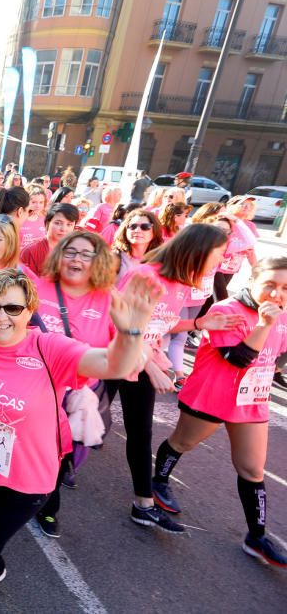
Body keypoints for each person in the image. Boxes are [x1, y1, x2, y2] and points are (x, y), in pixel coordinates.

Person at [0, 268, 161, 612]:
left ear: (30, 310)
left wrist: (130, 331)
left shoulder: (49, 348)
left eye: (13, 309)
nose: (1, 316)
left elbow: (111, 363)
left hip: (24, 482)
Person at [152, 257, 287, 567]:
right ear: (252, 281)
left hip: (251, 401)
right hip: (212, 396)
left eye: (285, 288)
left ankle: (257, 536)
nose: (277, 294)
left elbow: (279, 355)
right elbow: (238, 358)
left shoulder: (283, 316)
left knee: (253, 469)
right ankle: (159, 480)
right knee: (182, 443)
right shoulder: (225, 310)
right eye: (270, 284)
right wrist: (265, 325)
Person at [109, 224, 240, 535]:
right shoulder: (147, 276)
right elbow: (120, 324)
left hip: (142, 359)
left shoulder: (181, 282)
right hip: (111, 355)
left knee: (141, 432)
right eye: (219, 254)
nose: (221, 261)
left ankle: (143, 505)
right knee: (81, 425)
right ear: (198, 250)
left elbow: (159, 323)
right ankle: (42, 495)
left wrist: (199, 322)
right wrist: (150, 366)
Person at [30, 231, 118, 536]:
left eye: (85, 254)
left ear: (98, 261)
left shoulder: (109, 299)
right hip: (32, 388)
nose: (76, 259)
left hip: (77, 396)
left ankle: (47, 505)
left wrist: (151, 362)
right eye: (70, 252)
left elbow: (126, 346)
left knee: (59, 454)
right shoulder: (37, 287)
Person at [20, 203, 79, 275]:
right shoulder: (31, 251)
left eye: (69, 224)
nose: (63, 229)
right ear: (47, 223)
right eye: (58, 223)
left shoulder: (77, 250)